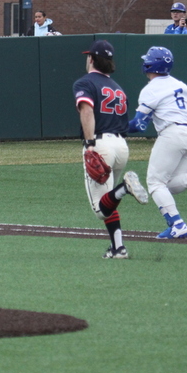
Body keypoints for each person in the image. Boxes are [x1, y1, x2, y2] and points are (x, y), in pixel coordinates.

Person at [127, 46, 187, 239]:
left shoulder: (150, 89)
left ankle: (177, 224)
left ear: (149, 64)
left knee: (155, 183)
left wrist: (115, 129)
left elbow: (137, 125)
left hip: (171, 134)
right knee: (170, 185)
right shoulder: (180, 85)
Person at [73, 40, 149, 259]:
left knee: (100, 209)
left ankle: (126, 187)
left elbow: (86, 112)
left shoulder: (84, 83)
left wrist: (89, 145)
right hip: (121, 146)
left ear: (92, 59)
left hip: (101, 144)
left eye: (89, 56)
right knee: (109, 199)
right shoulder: (117, 87)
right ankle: (119, 248)